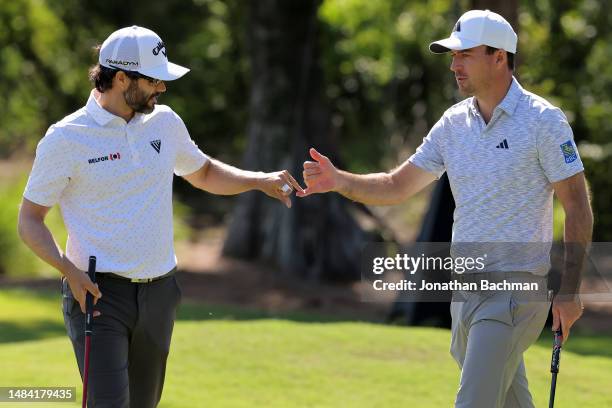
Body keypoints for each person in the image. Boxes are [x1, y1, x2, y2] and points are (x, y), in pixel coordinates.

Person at [297, 10, 592, 408]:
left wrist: (571, 290)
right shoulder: (453, 124)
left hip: (513, 292)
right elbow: (396, 185)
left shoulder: (543, 121)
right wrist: (340, 181)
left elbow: (577, 207)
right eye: (453, 56)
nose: (454, 65)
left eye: (465, 55)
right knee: (509, 401)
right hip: (464, 290)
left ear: (499, 57)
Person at [17, 25, 303, 408]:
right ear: (120, 78)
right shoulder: (66, 138)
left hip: (160, 292)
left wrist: (259, 180)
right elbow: (30, 220)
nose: (162, 88)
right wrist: (69, 269)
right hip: (98, 293)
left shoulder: (165, 123)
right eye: (154, 80)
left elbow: (201, 172)